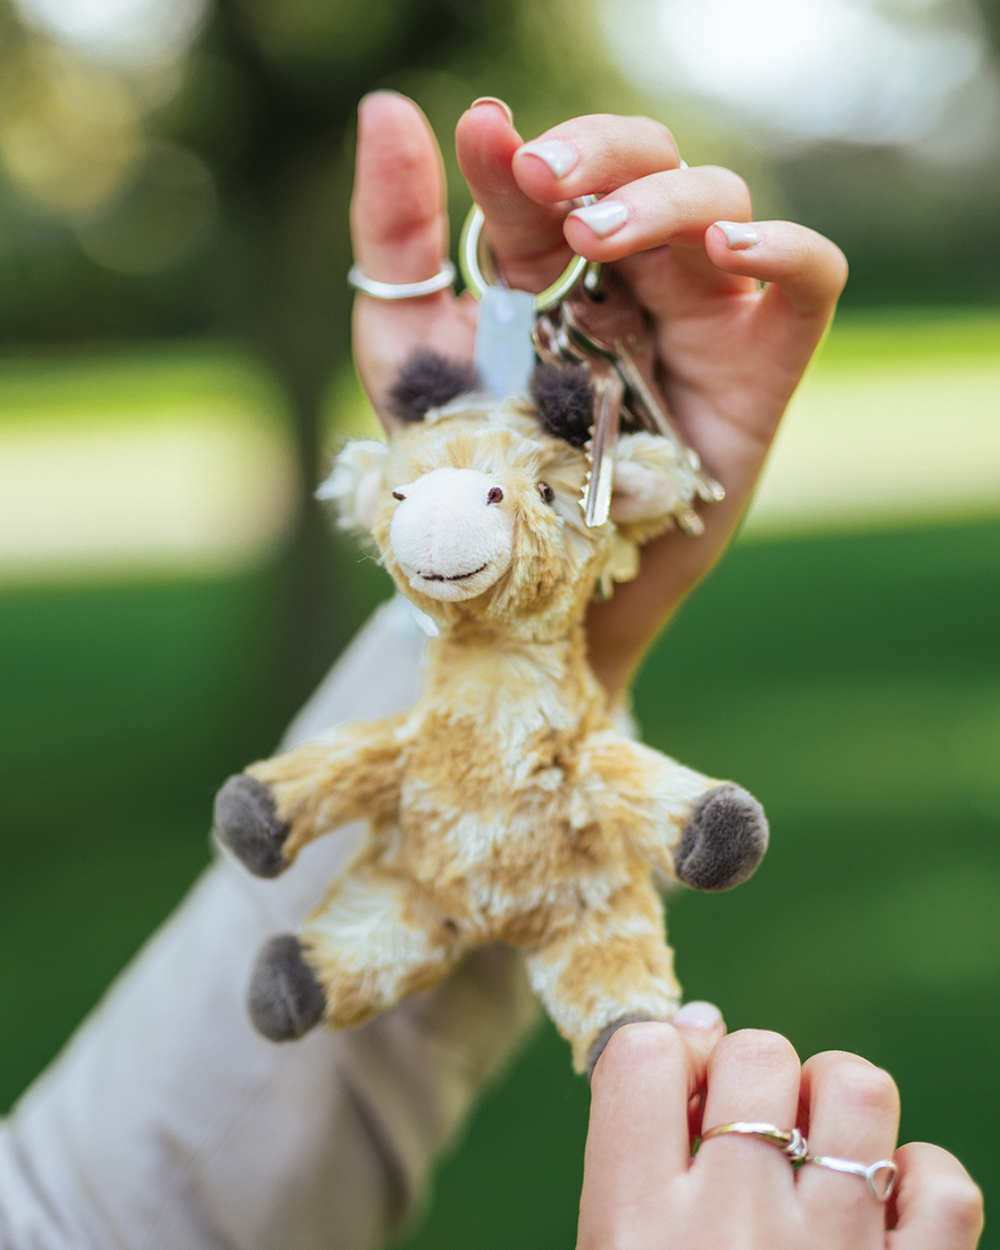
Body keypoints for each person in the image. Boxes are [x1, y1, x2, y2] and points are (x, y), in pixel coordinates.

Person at [0, 93, 982, 1250]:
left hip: (565, 883)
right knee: (388, 918)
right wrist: (284, 802)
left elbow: (88, 1219)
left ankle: (613, 1024)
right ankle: (327, 968)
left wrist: (605, 613)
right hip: (423, 879)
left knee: (609, 974)